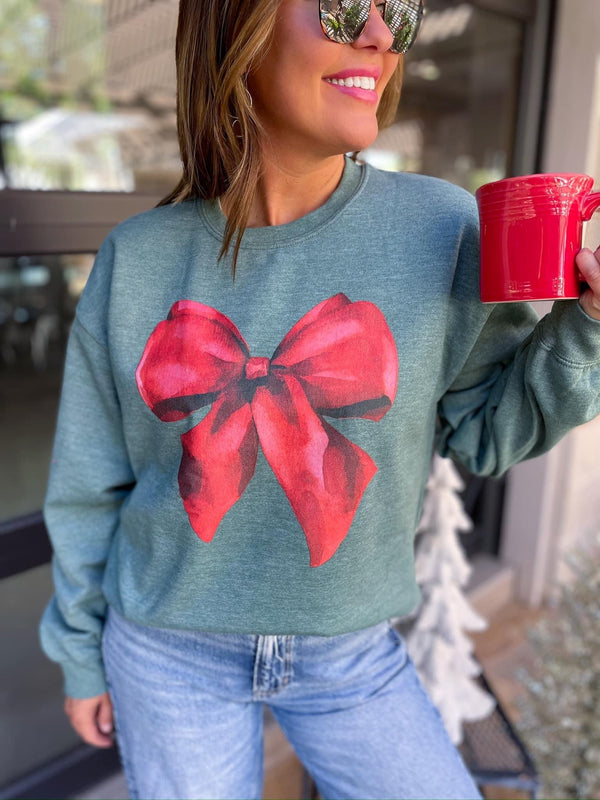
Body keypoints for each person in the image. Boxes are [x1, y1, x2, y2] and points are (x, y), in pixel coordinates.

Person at [39, 0, 600, 798]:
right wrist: (78, 652)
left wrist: (590, 326)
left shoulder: (443, 229)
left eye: (398, 16)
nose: (378, 36)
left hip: (352, 656)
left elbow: (486, 431)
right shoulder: (137, 259)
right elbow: (89, 486)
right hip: (168, 653)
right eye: (341, 7)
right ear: (238, 28)